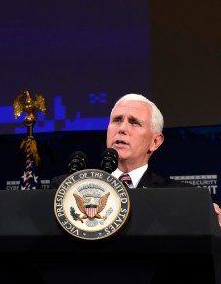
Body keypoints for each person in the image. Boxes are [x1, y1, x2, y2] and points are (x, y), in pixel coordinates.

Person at [52, 93, 221, 227]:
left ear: (155, 142)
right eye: (117, 120)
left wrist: (215, 231)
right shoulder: (65, 188)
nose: (122, 128)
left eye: (134, 122)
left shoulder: (183, 198)